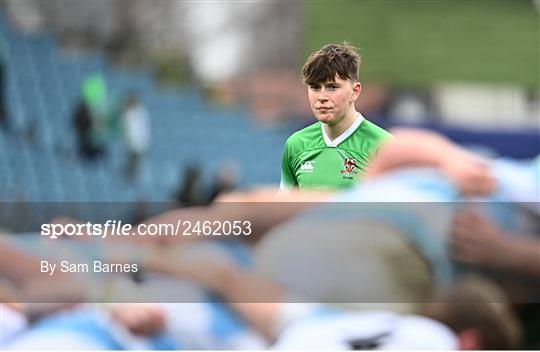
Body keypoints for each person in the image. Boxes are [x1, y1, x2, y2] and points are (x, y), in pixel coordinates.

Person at [280, 43, 391, 191]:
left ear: (355, 91)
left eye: (332, 87)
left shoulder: (384, 146)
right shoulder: (296, 144)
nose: (322, 97)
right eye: (315, 87)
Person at [121, 93, 150, 179]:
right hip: (132, 146)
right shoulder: (127, 114)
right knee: (133, 168)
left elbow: (143, 130)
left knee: (137, 169)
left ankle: (134, 177)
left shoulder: (141, 113)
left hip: (138, 146)